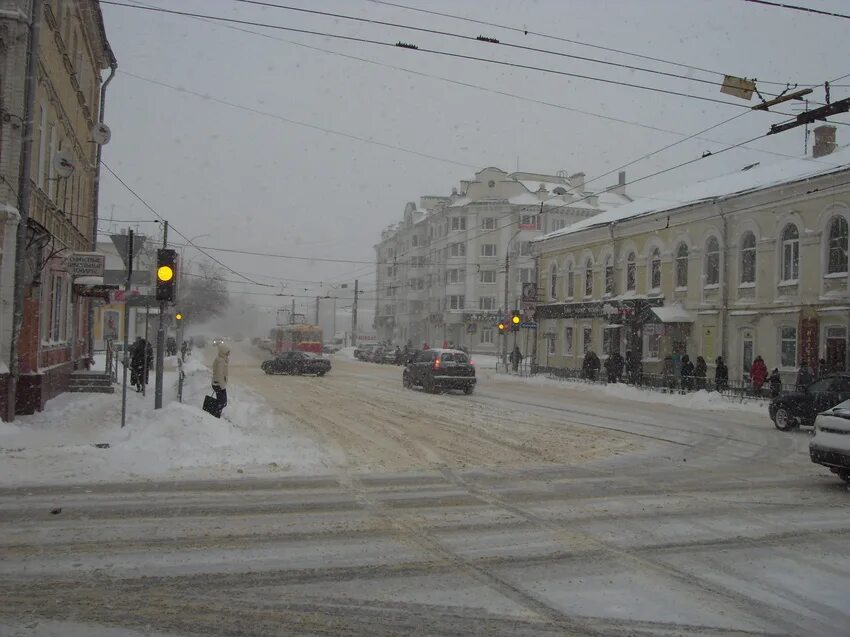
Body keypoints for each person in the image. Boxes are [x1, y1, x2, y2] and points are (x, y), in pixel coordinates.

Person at [211, 343, 230, 418]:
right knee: (222, 402)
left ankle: (216, 414)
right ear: (223, 351)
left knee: (222, 402)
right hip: (218, 384)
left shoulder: (222, 359)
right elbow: (219, 374)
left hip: (219, 384)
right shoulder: (220, 360)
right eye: (227, 351)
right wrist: (222, 386)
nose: (229, 353)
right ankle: (216, 415)